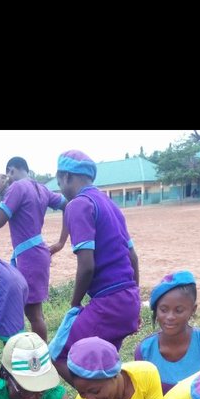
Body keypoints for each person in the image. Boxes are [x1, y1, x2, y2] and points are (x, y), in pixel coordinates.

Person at [49, 150, 140, 383]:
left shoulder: (78, 205)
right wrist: (136, 301)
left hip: (108, 302)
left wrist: (74, 304)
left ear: (66, 176)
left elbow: (87, 266)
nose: (61, 188)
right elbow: (133, 257)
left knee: (59, 354)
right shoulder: (109, 204)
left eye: (59, 182)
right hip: (128, 300)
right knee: (103, 365)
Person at [0, 157, 66, 342]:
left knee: (34, 314)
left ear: (11, 171)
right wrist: (61, 241)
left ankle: (40, 357)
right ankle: (36, 352)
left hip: (29, 257)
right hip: (35, 253)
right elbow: (68, 205)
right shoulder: (41, 188)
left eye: (8, 174)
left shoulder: (17, 187)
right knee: (33, 312)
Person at [134, 270, 200, 392]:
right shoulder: (145, 350)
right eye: (163, 310)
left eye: (178, 310)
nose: (170, 317)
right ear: (156, 310)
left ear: (193, 310)